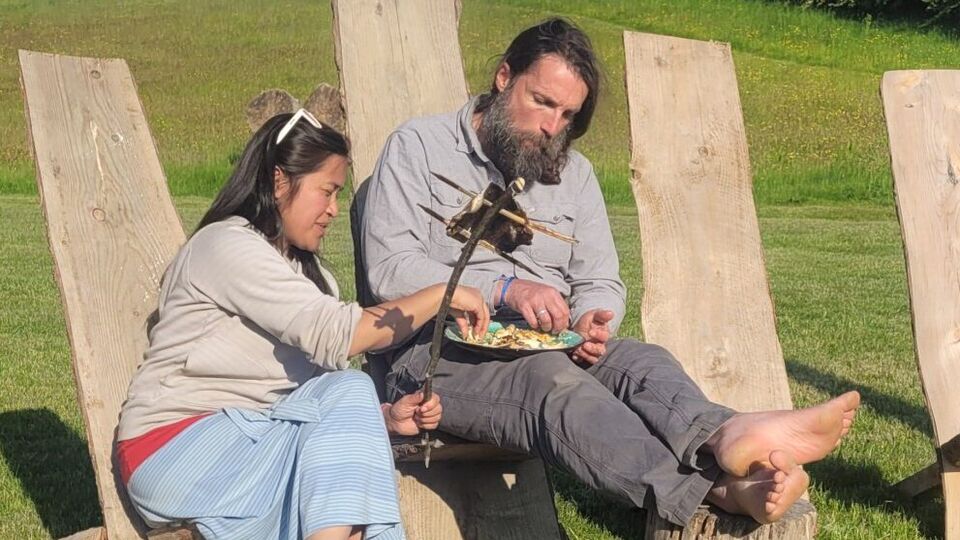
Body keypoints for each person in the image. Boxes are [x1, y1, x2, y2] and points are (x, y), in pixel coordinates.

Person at [357, 18, 860, 526]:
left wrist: (595, 317)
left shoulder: (573, 174)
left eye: (569, 114)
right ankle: (715, 490)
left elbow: (599, 278)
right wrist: (505, 288)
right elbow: (390, 270)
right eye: (543, 102)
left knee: (644, 363)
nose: (553, 127)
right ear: (504, 77)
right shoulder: (419, 147)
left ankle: (726, 437)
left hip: (541, 341)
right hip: (435, 357)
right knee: (551, 384)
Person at [115, 110, 490, 540]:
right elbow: (340, 337)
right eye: (327, 192)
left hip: (252, 452)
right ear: (279, 182)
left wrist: (382, 419)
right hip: (175, 450)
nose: (333, 210)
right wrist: (442, 294)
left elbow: (317, 397)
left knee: (353, 492)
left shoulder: (312, 277)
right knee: (352, 400)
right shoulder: (226, 246)